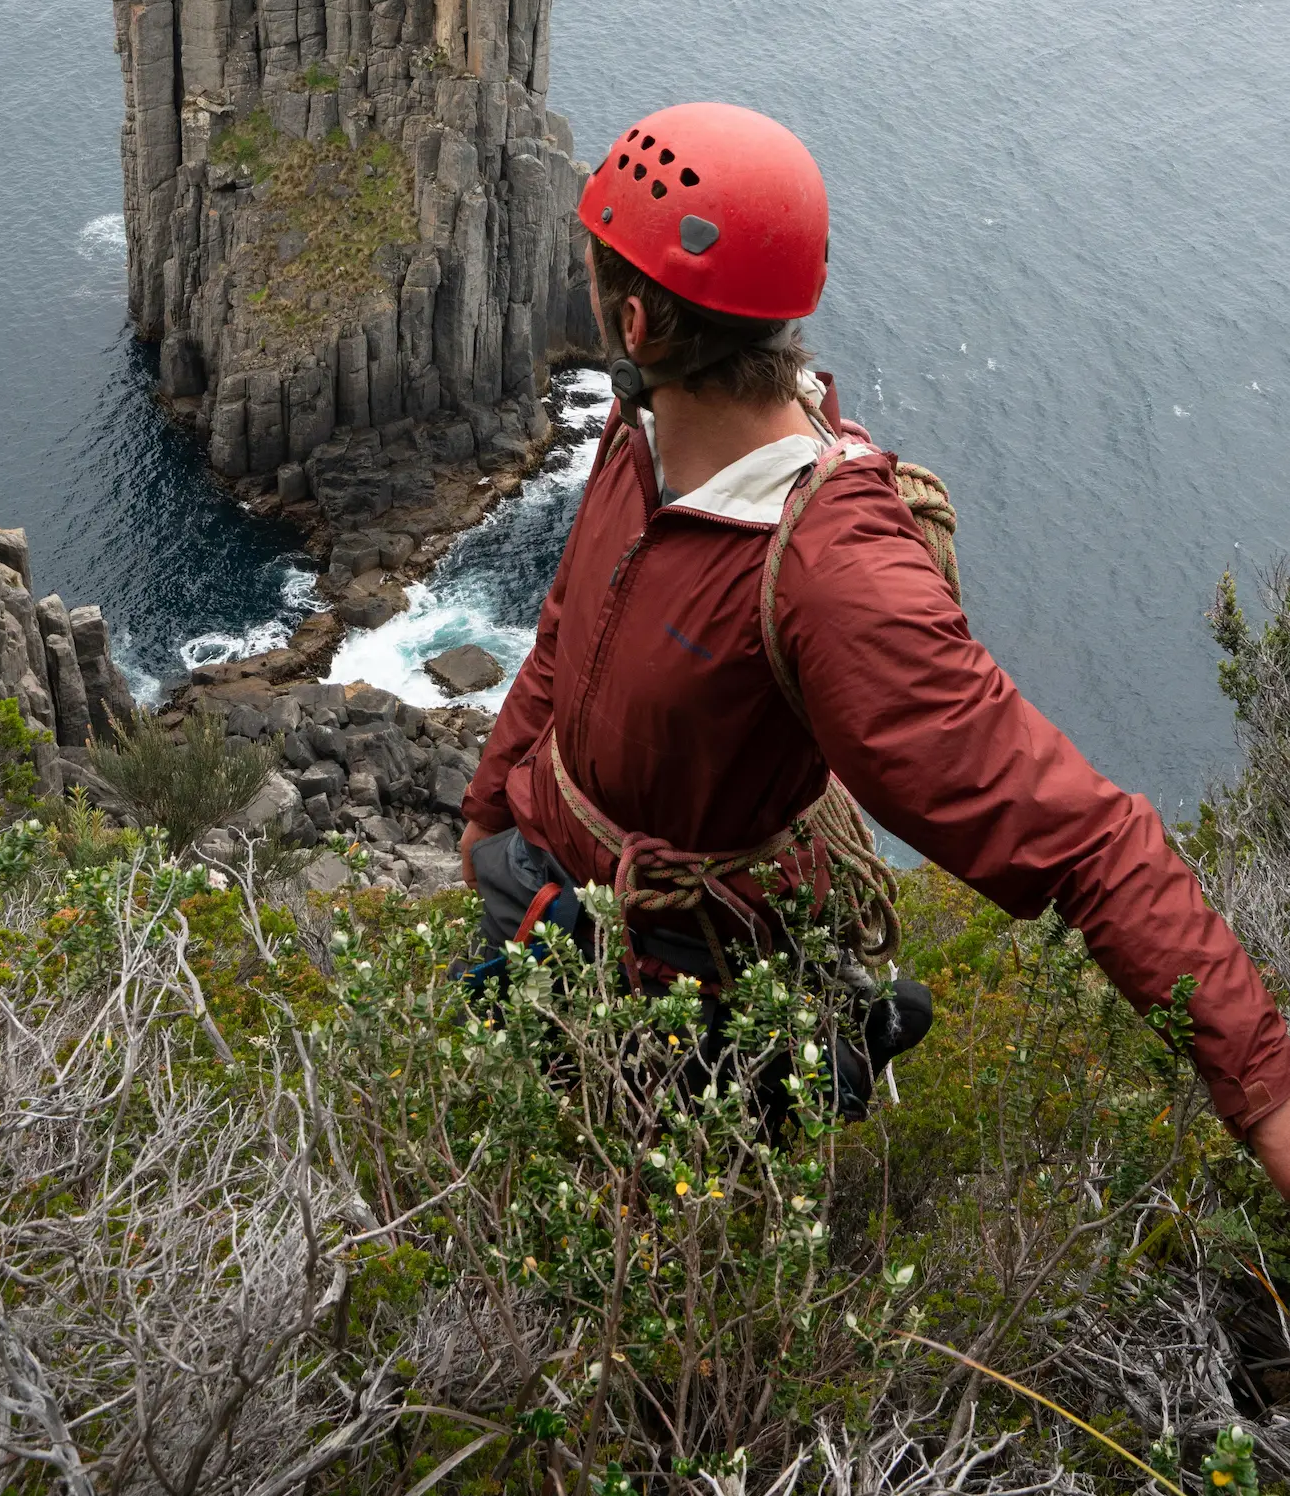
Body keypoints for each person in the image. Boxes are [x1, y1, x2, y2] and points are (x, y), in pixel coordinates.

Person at [459, 101, 1290, 1193]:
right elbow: (568, 628)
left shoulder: (831, 572)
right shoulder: (641, 427)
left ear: (634, 326)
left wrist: (1266, 1094)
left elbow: (1086, 844)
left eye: (597, 272)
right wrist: (487, 819)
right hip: (545, 893)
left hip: (680, 978)